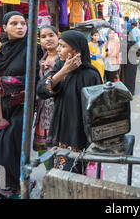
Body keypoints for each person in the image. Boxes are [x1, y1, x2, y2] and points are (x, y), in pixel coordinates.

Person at [0, 11, 43, 199]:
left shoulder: (33, 48)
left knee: (7, 151)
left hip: (20, 107)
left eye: (23, 23)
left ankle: (15, 189)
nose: (20, 27)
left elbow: (32, 79)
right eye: (14, 23)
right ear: (4, 28)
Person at [36, 30, 102, 172]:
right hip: (60, 130)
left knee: (73, 173)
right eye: (59, 45)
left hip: (78, 133)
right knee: (56, 172)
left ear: (76, 50)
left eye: (63, 46)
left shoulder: (91, 75)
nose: (58, 49)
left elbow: (96, 111)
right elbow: (41, 91)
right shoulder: (60, 66)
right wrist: (63, 71)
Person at [33, 25, 58, 156]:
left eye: (51, 35)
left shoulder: (65, 57)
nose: (47, 39)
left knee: (60, 149)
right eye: (43, 37)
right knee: (44, 151)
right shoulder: (40, 60)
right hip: (44, 110)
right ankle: (50, 172)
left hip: (60, 108)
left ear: (57, 36)